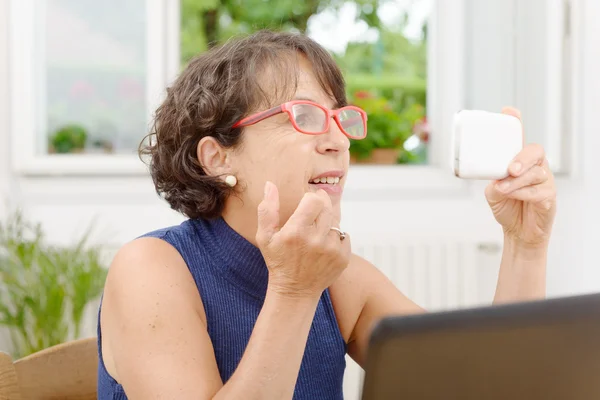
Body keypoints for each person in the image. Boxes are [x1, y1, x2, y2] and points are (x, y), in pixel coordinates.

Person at [97, 30, 557, 399]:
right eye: (304, 115)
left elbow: (489, 386)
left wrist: (525, 245)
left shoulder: (340, 279)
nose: (338, 140)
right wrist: (294, 291)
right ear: (218, 158)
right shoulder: (150, 269)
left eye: (340, 118)